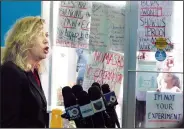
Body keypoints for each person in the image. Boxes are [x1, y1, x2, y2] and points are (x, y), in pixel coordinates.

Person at [1, 16, 50, 128]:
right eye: (40, 34)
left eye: (47, 35)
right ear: (25, 39)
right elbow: (8, 123)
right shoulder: (10, 72)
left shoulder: (33, 72)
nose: (46, 40)